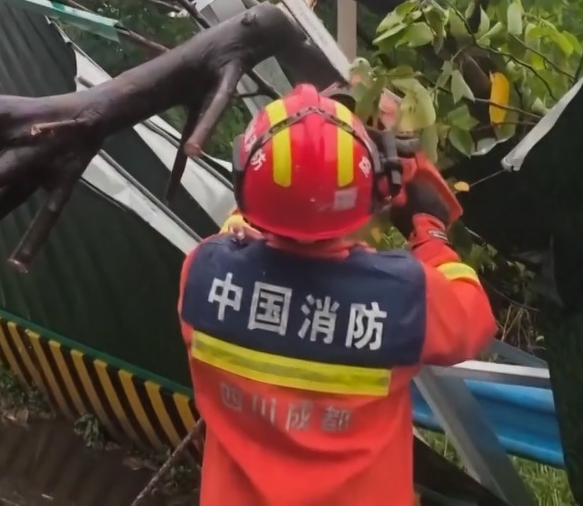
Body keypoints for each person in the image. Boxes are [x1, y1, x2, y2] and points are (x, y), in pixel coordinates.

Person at [178, 84, 497, 506]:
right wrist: (429, 230)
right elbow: (473, 322)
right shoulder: (400, 295)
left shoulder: (203, 273)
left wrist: (281, 181)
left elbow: (240, 234)